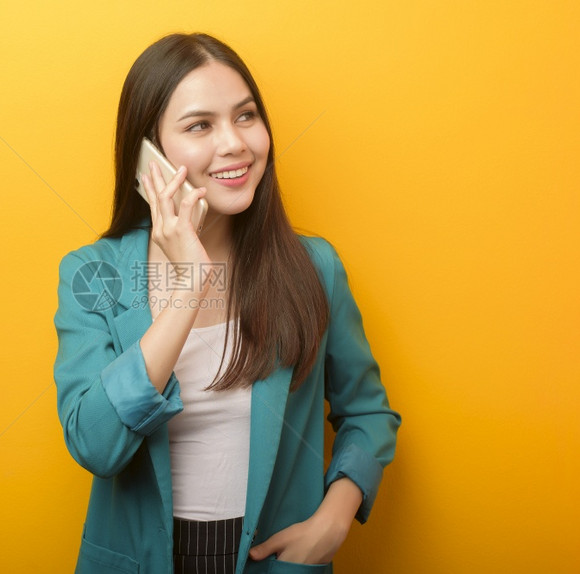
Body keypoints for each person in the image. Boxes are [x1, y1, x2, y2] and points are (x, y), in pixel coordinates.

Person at [54, 32, 400, 574]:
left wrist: (334, 519)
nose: (236, 143)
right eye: (199, 126)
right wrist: (190, 283)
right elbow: (97, 446)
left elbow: (367, 412)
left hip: (271, 559)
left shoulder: (315, 267)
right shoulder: (93, 274)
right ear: (150, 157)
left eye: (246, 116)